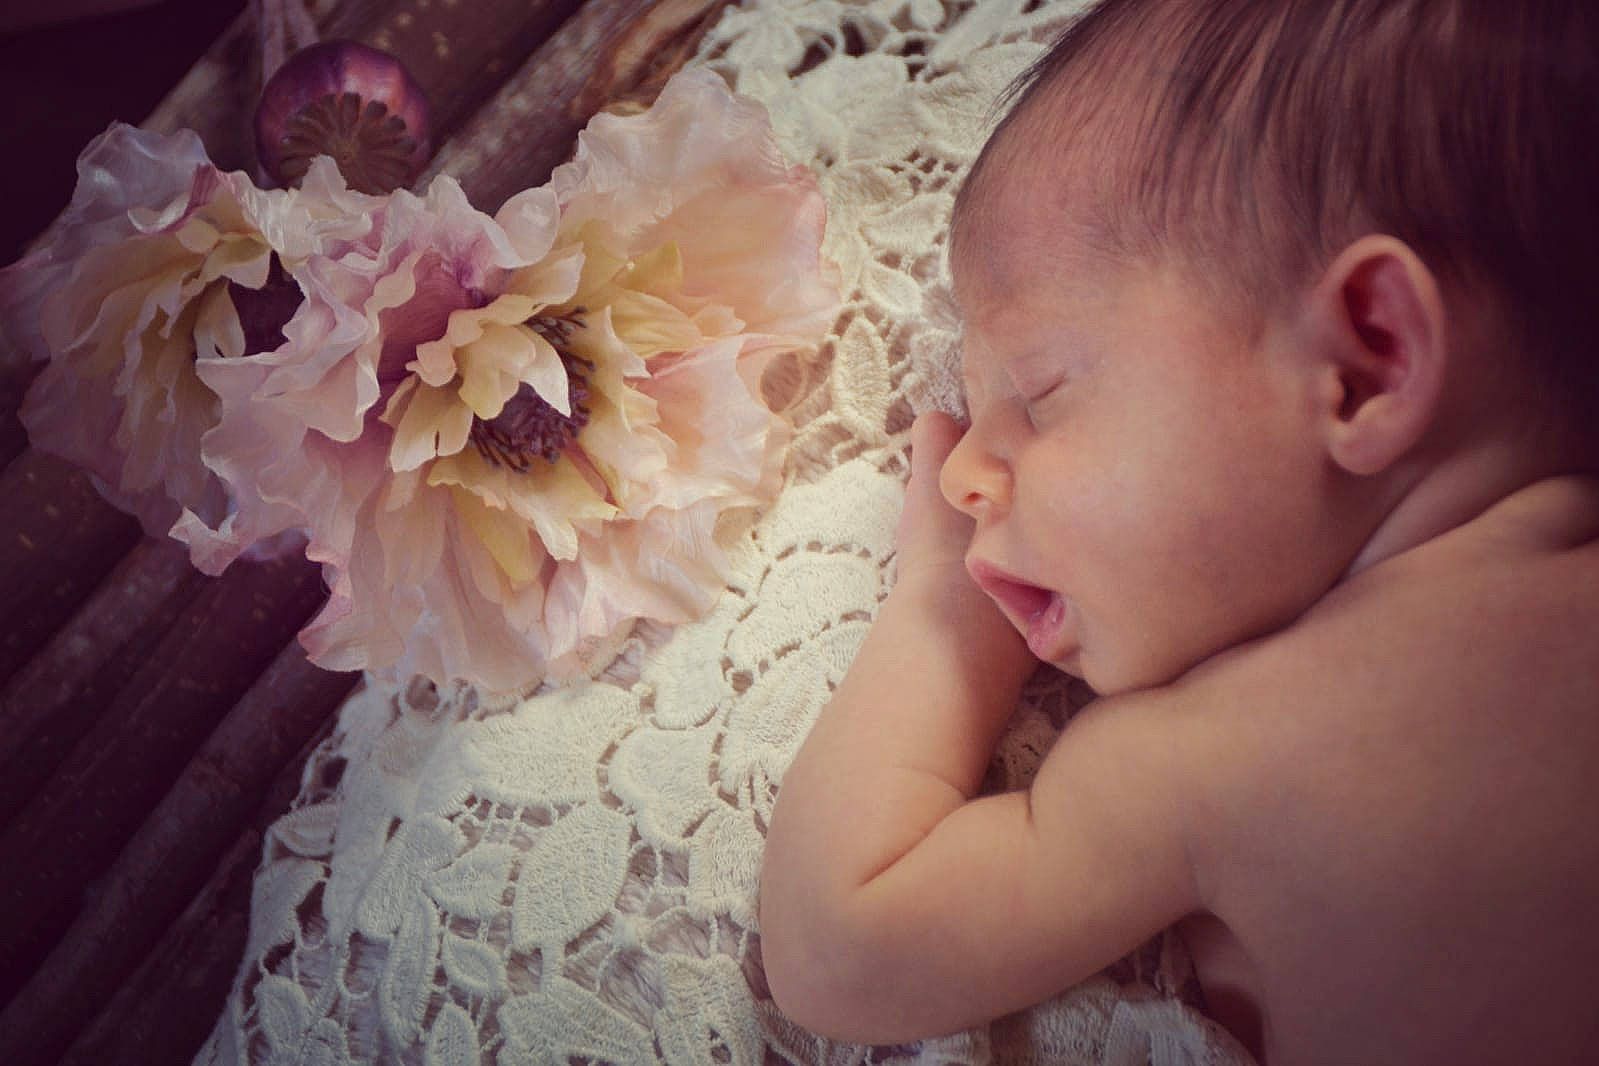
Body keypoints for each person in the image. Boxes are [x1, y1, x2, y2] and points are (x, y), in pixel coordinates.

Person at [757, 1, 1599, 1063]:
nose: (964, 469)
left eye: (1038, 392)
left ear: (1367, 360)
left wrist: (942, 604)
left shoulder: (1224, 754)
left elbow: (841, 946)